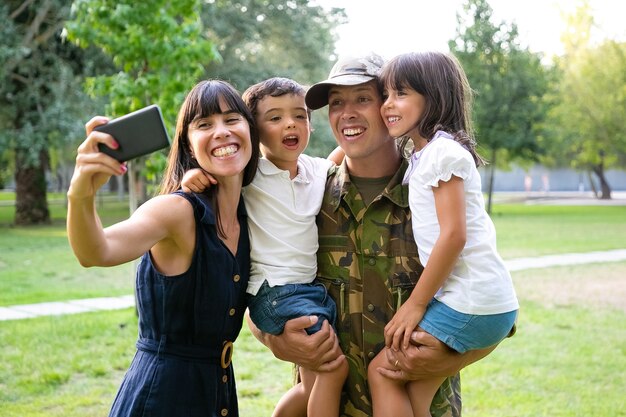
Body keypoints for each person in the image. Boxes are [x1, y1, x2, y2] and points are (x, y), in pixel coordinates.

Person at [248, 53, 500, 417]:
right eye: (336, 103)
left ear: (391, 107)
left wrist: (442, 364)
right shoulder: (310, 198)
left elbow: (493, 308)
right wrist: (273, 338)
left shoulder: (435, 193)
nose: (346, 113)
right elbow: (257, 288)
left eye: (363, 99)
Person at [66, 79, 260, 417]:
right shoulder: (176, 211)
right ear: (188, 144)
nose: (222, 132)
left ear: (249, 131)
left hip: (218, 394)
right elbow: (95, 251)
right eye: (204, 124)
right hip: (161, 399)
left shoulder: (251, 217)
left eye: (232, 119)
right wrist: (80, 191)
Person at [181, 77, 348, 417]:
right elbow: (214, 171)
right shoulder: (249, 173)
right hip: (274, 293)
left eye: (299, 116)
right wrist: (191, 178)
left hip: (307, 291)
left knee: (311, 384)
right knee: (334, 369)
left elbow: (344, 153)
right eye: (274, 118)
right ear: (253, 131)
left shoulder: (318, 171)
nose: (290, 123)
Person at [369, 51, 519, 417]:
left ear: (433, 97)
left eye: (400, 94)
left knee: (382, 373)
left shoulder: (442, 153)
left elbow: (454, 236)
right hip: (486, 301)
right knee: (416, 392)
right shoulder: (424, 155)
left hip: (471, 300)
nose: (388, 104)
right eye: (385, 94)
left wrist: (415, 305)